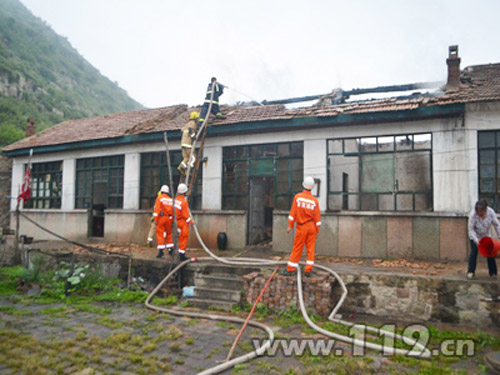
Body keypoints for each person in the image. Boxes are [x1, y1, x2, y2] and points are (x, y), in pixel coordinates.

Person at [285, 176, 321, 276]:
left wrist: (290, 226)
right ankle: (308, 270)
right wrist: (317, 230)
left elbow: (293, 213)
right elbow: (317, 218)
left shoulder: (298, 197)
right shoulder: (314, 201)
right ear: (312, 187)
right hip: (311, 227)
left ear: (303, 185)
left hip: (301, 227)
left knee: (297, 247)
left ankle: (291, 269)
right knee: (310, 249)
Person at [467, 200, 498, 279]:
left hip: (486, 234)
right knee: (474, 252)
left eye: (482, 213)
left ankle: (493, 272)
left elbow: (496, 225)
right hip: (475, 236)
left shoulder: (491, 212)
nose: (480, 215)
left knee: (490, 252)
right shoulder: (472, 215)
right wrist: (476, 240)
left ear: (485, 210)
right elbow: (471, 229)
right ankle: (471, 271)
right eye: (478, 213)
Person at [153, 185, 174, 258]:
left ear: (161, 191)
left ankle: (161, 251)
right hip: (169, 218)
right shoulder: (170, 199)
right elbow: (173, 210)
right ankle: (170, 249)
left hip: (161, 218)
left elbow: (157, 210)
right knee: (169, 234)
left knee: (160, 234)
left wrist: (155, 219)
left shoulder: (160, 198)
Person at [177, 111, 200, 176]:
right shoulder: (192, 123)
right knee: (193, 158)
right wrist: (193, 136)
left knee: (186, 158)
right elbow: (190, 130)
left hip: (183, 143)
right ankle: (188, 168)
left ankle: (181, 167)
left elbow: (183, 130)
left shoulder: (186, 124)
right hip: (188, 144)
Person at [175, 183, 192, 262]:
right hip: (182, 222)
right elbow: (185, 215)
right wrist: (191, 221)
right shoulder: (184, 202)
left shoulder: (175, 201)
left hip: (176, 222)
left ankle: (177, 252)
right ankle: (182, 254)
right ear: (185, 192)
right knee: (183, 237)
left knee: (178, 237)